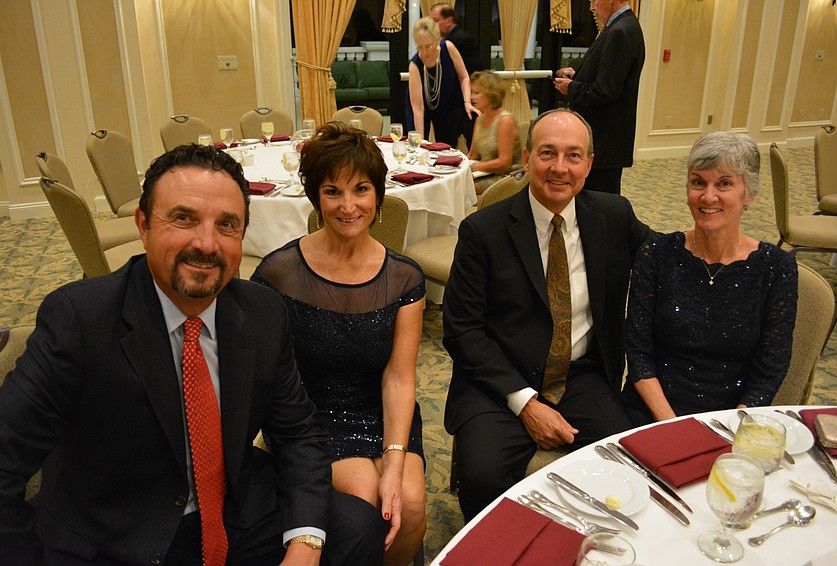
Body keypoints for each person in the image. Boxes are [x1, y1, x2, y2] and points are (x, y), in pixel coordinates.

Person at [0, 144, 384, 565]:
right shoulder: (80, 318)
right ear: (143, 225)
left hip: (231, 512)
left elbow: (297, 435)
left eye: (227, 225)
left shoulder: (262, 311)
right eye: (183, 218)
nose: (206, 243)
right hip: (116, 532)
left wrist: (305, 545)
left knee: (355, 527)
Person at [442, 109, 652, 522]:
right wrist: (525, 403)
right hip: (498, 382)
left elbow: (667, 261)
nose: (560, 168)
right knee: (483, 478)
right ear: (526, 158)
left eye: (573, 156)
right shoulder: (483, 231)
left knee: (621, 467)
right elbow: (462, 330)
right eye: (547, 153)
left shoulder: (613, 216)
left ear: (589, 164)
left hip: (582, 374)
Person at [250, 123, 426, 566]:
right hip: (311, 416)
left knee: (410, 501)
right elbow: (260, 374)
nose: (349, 206)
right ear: (315, 198)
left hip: (382, 408)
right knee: (368, 497)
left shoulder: (404, 277)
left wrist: (395, 456)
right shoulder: (279, 273)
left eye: (361, 189)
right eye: (333, 191)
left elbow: (400, 376)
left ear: (378, 196)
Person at [622, 132, 798, 425]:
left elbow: (771, 367)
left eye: (725, 183)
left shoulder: (776, 268)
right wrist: (672, 424)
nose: (708, 196)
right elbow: (638, 354)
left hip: (732, 418)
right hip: (652, 412)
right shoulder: (656, 254)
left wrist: (732, 423)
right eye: (698, 182)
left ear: (749, 194)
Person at [553, 0, 644, 195]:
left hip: (604, 139)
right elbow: (608, 77)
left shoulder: (620, 31)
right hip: (606, 137)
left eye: (594, 1)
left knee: (599, 203)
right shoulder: (623, 26)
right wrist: (576, 77)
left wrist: (572, 89)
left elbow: (605, 92)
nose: (591, 7)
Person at [408, 16, 477, 147]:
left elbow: (464, 77)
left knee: (446, 146)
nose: (424, 52)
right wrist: (420, 141)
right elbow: (418, 108)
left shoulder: (448, 48)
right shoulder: (415, 65)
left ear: (437, 40)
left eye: (428, 46)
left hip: (448, 104)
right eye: (420, 47)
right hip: (422, 106)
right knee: (417, 143)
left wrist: (467, 102)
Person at [466, 70, 522, 195]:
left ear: (491, 93)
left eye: (476, 93)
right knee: (455, 183)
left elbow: (503, 163)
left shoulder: (505, 120)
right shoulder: (480, 118)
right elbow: (472, 155)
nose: (471, 97)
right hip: (484, 172)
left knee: (462, 189)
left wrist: (474, 167)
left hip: (507, 177)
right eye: (471, 92)